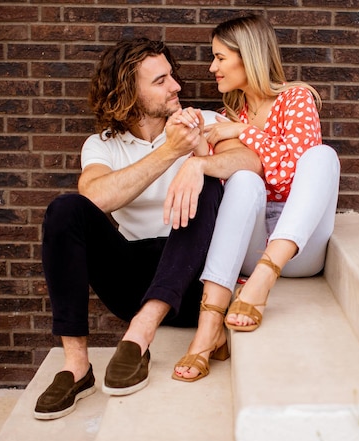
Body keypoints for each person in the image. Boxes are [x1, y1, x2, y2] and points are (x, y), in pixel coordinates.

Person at [34, 38, 262, 419]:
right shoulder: (102, 145)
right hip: (133, 282)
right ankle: (75, 367)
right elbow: (95, 196)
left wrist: (198, 164)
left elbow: (252, 162)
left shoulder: (201, 121)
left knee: (208, 183)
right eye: (160, 81)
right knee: (65, 209)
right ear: (129, 92)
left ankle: (141, 333)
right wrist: (172, 152)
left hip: (197, 284)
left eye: (171, 76)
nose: (175, 86)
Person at [170, 14, 340, 382]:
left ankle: (263, 279)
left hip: (297, 247)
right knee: (245, 180)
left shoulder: (296, 99)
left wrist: (243, 133)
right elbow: (224, 182)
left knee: (322, 157)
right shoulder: (234, 115)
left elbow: (294, 174)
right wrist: (199, 140)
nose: (212, 67)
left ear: (247, 56)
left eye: (220, 57)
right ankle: (207, 330)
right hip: (250, 243)